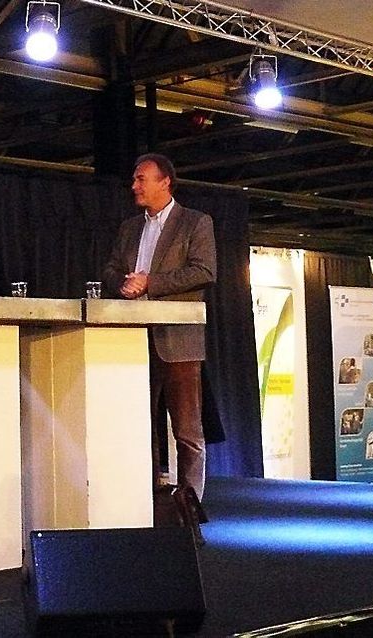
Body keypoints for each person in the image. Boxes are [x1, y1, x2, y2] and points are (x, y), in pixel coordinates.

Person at [102, 153, 216, 501]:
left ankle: (191, 500)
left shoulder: (195, 222)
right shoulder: (129, 227)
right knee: (139, 422)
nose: (134, 186)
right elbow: (110, 270)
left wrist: (151, 282)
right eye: (134, 180)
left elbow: (204, 271)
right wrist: (123, 283)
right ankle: (146, 495)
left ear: (165, 181)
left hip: (178, 339)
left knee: (186, 428)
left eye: (141, 179)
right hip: (134, 338)